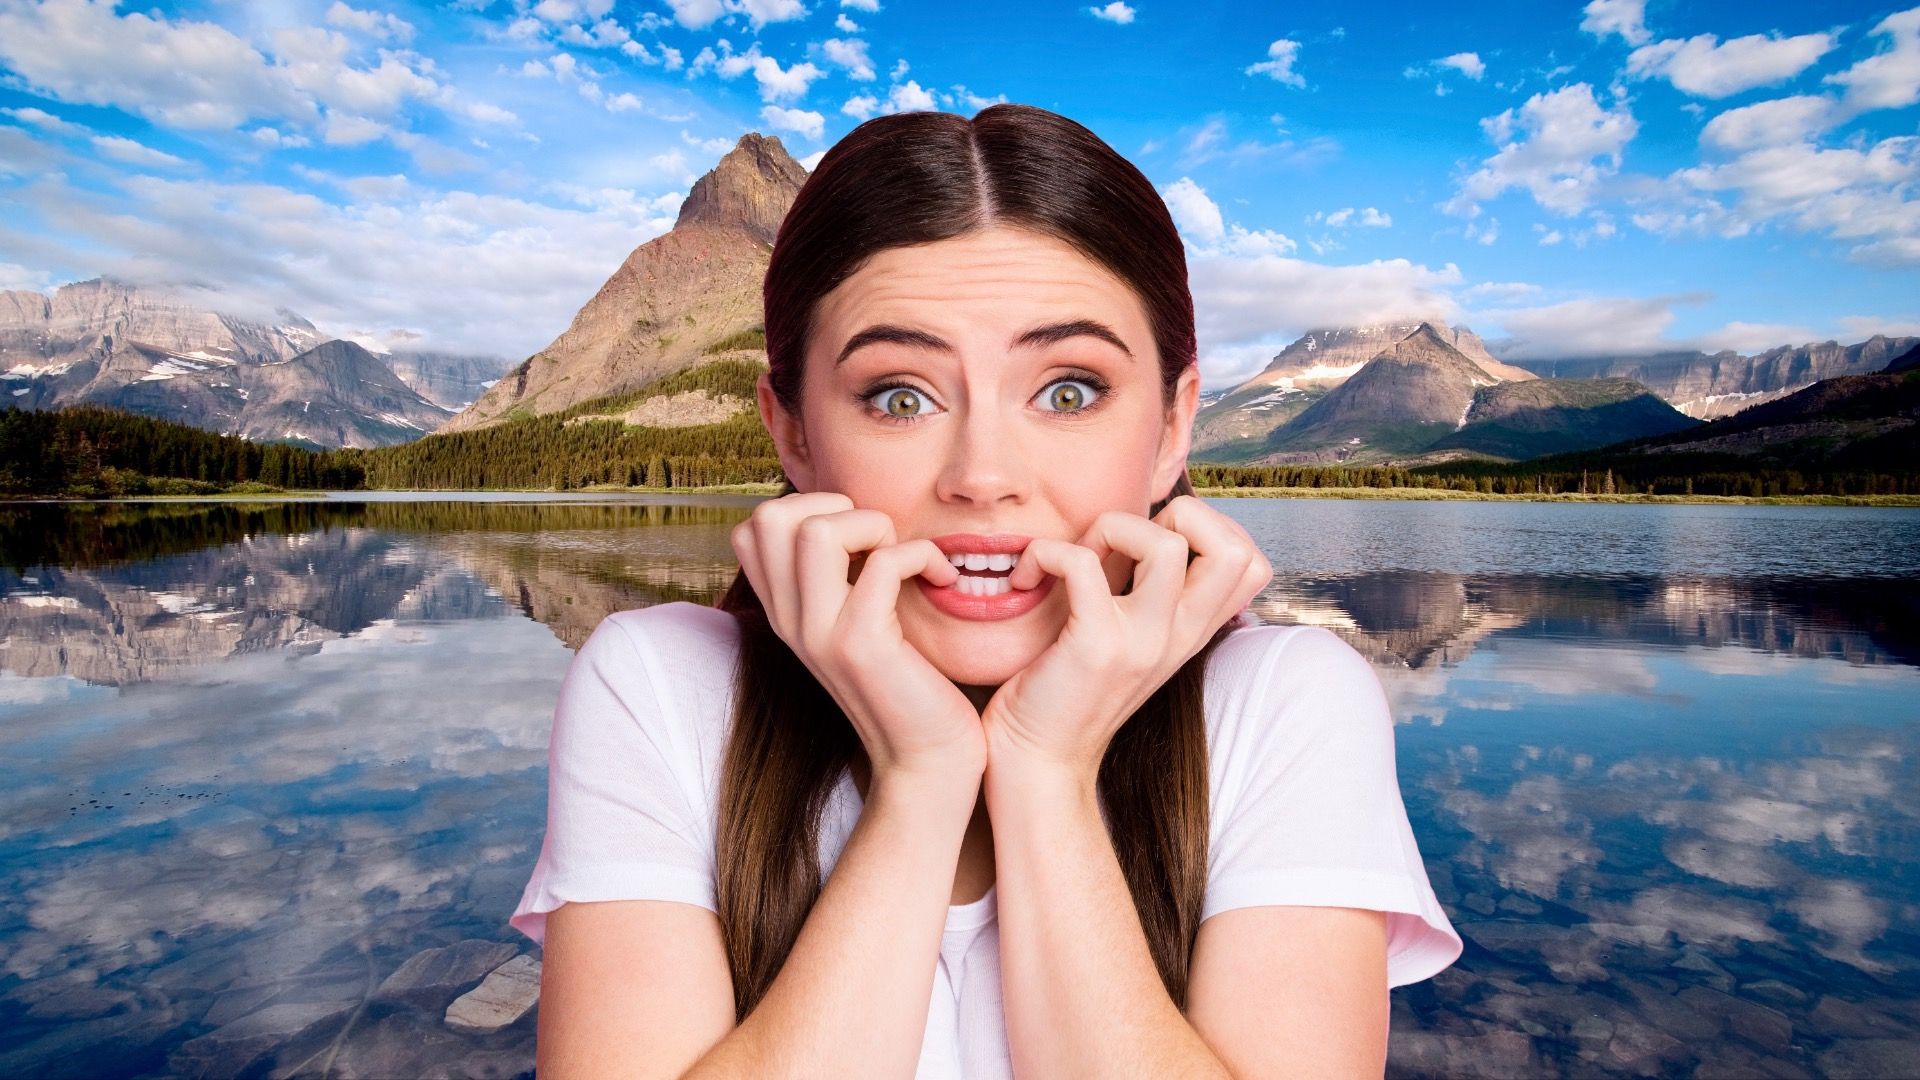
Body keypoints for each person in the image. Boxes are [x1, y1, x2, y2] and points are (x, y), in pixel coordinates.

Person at [509, 103, 1462, 1078]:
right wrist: (920, 780)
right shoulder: (662, 688)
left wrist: (1047, 769)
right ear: (791, 430)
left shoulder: (1284, 704)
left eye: (1068, 391)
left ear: (1174, 426)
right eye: (900, 396)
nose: (982, 475)